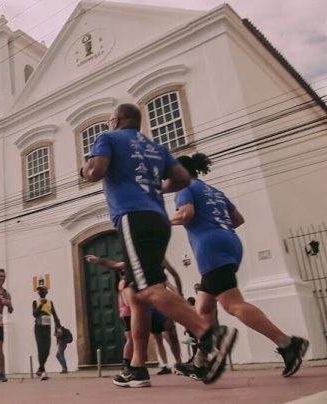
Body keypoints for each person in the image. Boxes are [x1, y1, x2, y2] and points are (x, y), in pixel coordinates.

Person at [80, 103, 237, 387]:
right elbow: (182, 178)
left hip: (132, 218)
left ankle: (209, 333)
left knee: (148, 289)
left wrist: (85, 169)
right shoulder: (157, 147)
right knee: (136, 295)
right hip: (158, 219)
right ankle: (138, 367)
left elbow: (96, 170)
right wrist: (154, 189)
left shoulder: (108, 138)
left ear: (114, 121)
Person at [171, 153, 309, 379]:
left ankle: (287, 343)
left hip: (210, 247)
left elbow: (186, 214)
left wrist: (162, 222)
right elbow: (238, 219)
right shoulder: (214, 191)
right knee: (204, 307)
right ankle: (201, 361)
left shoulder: (185, 188)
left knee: (233, 305)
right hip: (230, 242)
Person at [32, 285, 60, 380]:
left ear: (46, 292)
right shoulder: (35, 302)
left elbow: (55, 316)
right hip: (38, 328)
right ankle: (43, 371)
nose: (41, 292)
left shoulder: (50, 302)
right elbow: (35, 314)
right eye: (39, 291)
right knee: (41, 350)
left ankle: (40, 369)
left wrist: (58, 327)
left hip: (47, 329)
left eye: (43, 290)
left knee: (47, 350)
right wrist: (41, 305)